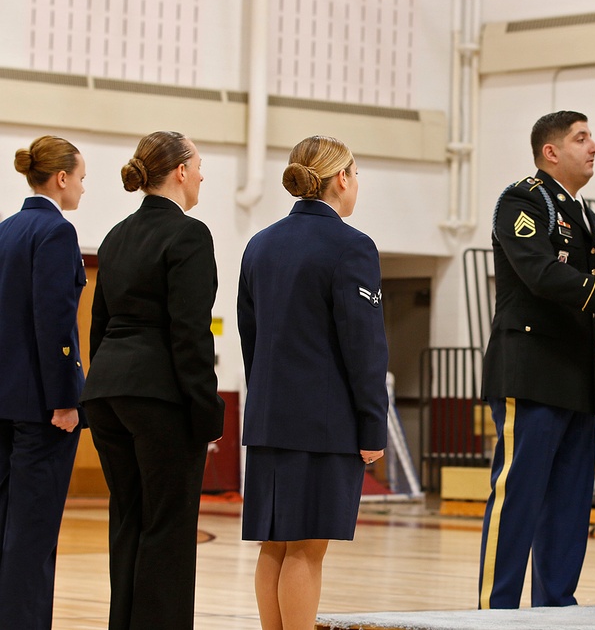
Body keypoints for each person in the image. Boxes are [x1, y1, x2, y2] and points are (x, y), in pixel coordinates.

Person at [478, 110, 595, 609]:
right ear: (551, 152)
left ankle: (555, 610)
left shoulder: (588, 217)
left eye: (592, 137)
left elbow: (588, 302)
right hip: (531, 369)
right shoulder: (522, 199)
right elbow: (540, 275)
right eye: (582, 138)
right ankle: (491, 615)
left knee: (568, 505)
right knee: (516, 499)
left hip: (576, 378)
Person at [238, 136, 389, 630]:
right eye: (356, 173)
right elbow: (363, 346)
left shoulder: (259, 244)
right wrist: (372, 427)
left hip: (267, 419)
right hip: (321, 426)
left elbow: (250, 338)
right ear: (341, 177)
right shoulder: (352, 245)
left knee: (274, 545)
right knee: (307, 547)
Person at [81, 131, 225, 630]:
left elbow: (99, 325)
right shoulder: (190, 234)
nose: (204, 174)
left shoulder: (115, 235)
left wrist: (101, 384)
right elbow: (189, 333)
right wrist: (207, 411)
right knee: (168, 528)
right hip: (158, 397)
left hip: (107, 393)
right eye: (200, 164)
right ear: (180, 171)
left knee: (128, 520)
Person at [0, 136, 87, 629]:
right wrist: (64, 400)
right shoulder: (55, 232)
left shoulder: (5, 230)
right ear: (60, 178)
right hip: (40, 408)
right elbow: (54, 321)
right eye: (80, 177)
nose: (81, 187)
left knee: (6, 529)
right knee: (33, 535)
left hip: (4, 403)